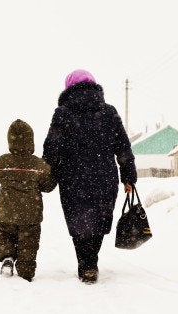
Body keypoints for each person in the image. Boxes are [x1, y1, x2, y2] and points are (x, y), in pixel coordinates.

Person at [43, 69, 137, 284]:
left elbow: (52, 147)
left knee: (78, 222)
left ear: (69, 87)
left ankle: (85, 263)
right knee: (99, 221)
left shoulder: (63, 113)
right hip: (104, 177)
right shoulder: (109, 112)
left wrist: (48, 171)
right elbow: (123, 147)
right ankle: (91, 262)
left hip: (72, 178)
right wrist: (128, 176)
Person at [0, 119, 57, 282]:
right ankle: (26, 271)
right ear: (31, 140)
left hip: (6, 210)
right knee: (28, 242)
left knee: (5, 234)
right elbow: (48, 186)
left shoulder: (2, 162)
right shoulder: (39, 165)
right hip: (31, 213)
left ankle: (7, 257)